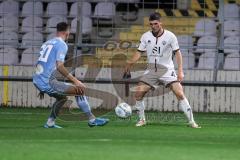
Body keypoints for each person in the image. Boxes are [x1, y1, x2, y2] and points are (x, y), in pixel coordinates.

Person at [123, 12, 200, 128]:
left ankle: (192, 121)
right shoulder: (145, 36)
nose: (153, 26)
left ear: (160, 23)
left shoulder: (170, 36)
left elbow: (178, 54)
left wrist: (180, 71)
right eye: (151, 24)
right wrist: (129, 64)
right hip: (151, 71)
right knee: (138, 94)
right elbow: (139, 53)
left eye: (156, 24)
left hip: (167, 70)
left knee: (179, 93)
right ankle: (142, 120)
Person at [33, 22, 109, 128]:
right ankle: (92, 120)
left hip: (38, 78)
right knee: (80, 90)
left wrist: (41, 83)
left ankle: (50, 123)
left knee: (61, 98)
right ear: (67, 32)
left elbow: (40, 62)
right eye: (69, 31)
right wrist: (76, 81)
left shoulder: (47, 43)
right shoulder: (62, 45)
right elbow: (60, 66)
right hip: (47, 81)